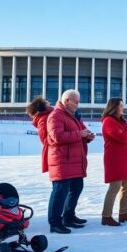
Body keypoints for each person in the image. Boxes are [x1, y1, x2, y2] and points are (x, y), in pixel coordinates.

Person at [46, 89, 94, 233]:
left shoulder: (73, 116)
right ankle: (54, 222)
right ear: (67, 100)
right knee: (59, 192)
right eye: (76, 102)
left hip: (74, 161)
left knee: (76, 188)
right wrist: (80, 134)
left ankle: (68, 216)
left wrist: (87, 136)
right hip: (62, 161)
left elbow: (81, 132)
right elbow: (57, 137)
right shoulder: (56, 116)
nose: (77, 105)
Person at [101, 98, 127, 226]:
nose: (123, 107)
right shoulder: (108, 121)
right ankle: (106, 216)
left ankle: (123, 213)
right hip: (115, 159)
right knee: (115, 187)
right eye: (121, 105)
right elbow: (123, 137)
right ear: (114, 107)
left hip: (125, 159)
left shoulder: (122, 121)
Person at [27, 97, 53, 175]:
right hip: (56, 152)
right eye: (45, 102)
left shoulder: (49, 115)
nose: (48, 102)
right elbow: (46, 139)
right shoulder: (44, 119)